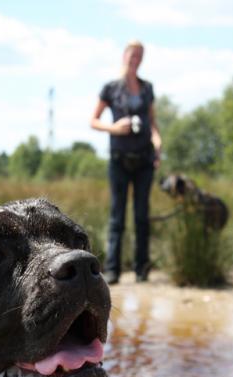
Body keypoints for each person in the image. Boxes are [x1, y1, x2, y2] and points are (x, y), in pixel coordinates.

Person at [90, 40, 162, 284]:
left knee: (142, 216)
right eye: (133, 54)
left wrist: (158, 143)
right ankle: (112, 270)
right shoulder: (111, 88)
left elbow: (152, 123)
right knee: (117, 217)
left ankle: (142, 269)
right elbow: (93, 121)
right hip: (119, 160)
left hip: (144, 160)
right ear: (125, 55)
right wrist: (114, 128)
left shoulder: (147, 88)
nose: (136, 59)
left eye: (140, 55)